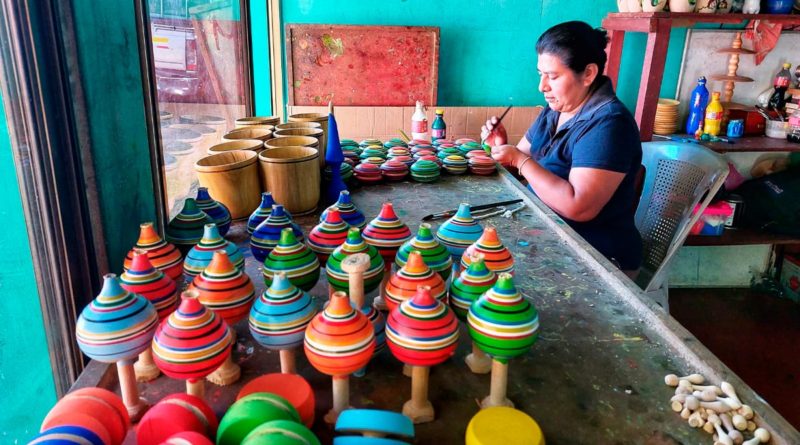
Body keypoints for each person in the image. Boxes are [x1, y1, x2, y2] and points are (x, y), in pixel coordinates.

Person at [483, 21, 643, 272]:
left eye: (553, 76)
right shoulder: (555, 110)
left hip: (596, 256)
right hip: (548, 233)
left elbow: (578, 206)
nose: (542, 86)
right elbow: (520, 160)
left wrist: (519, 160)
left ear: (588, 74)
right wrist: (503, 148)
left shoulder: (610, 125)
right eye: (540, 74)